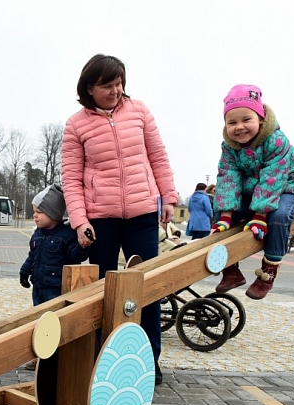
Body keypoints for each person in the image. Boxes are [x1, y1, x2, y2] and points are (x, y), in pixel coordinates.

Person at [61, 54, 178, 385]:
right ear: (90, 88)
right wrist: (80, 220)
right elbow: (71, 177)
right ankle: (101, 357)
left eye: (119, 83)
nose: (116, 91)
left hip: (142, 214)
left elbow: (157, 155)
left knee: (146, 290)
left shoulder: (139, 111)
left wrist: (168, 196)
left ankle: (148, 360)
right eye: (107, 86)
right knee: (102, 292)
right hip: (101, 220)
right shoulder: (76, 125)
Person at [211, 85, 294, 299]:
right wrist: (226, 218)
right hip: (256, 185)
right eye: (232, 122)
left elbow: (272, 178)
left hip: (288, 183)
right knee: (220, 217)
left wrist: (259, 217)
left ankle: (269, 271)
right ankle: (231, 271)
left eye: (246, 119)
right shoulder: (229, 147)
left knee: (278, 216)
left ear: (260, 118)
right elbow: (228, 178)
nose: (239, 127)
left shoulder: (275, 141)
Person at [20, 184, 90, 369]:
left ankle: (55, 357)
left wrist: (83, 246)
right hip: (39, 288)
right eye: (34, 211)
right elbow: (32, 256)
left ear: (53, 213)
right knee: (39, 322)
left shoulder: (67, 234)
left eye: (39, 212)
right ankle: (40, 357)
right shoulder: (37, 234)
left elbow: (75, 256)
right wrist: (24, 272)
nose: (35, 215)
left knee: (53, 323)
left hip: (56, 289)